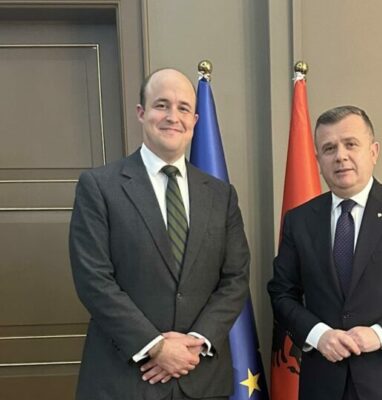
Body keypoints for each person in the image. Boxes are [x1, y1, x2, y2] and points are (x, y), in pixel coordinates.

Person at [69, 68, 250, 400]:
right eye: (161, 105)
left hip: (201, 378)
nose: (172, 117)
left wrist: (194, 342)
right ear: (141, 113)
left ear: (195, 120)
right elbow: (93, 280)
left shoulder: (221, 195)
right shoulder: (99, 187)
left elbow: (235, 279)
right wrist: (155, 346)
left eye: (183, 108)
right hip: (124, 381)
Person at [267, 105, 382, 400]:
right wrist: (318, 335)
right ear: (318, 160)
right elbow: (281, 293)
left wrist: (379, 334)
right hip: (323, 382)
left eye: (350, 144)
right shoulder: (299, 220)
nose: (340, 156)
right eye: (329, 148)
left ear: (374, 151)